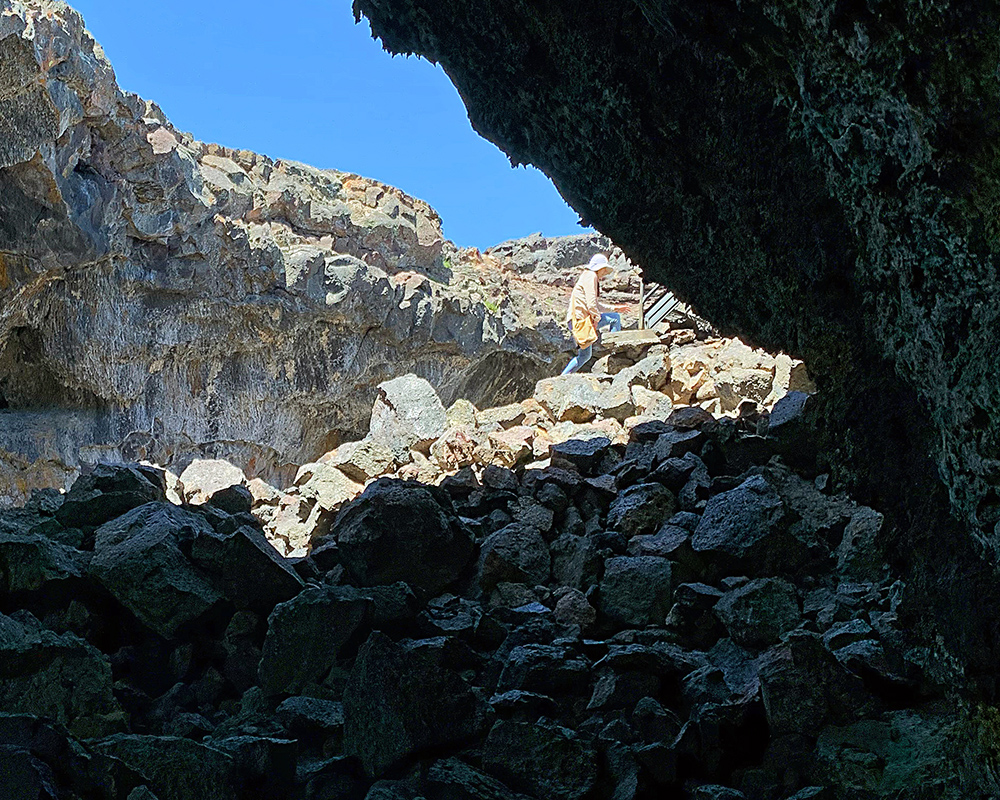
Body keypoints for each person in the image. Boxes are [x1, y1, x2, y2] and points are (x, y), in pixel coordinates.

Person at [561, 253, 624, 375]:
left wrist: (615, 308)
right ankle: (615, 347)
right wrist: (596, 319)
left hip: (576, 321)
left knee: (585, 356)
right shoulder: (591, 276)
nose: (604, 274)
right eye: (604, 271)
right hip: (582, 320)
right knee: (615, 319)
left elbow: (595, 304)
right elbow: (591, 304)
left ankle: (563, 377)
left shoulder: (585, 276)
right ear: (599, 268)